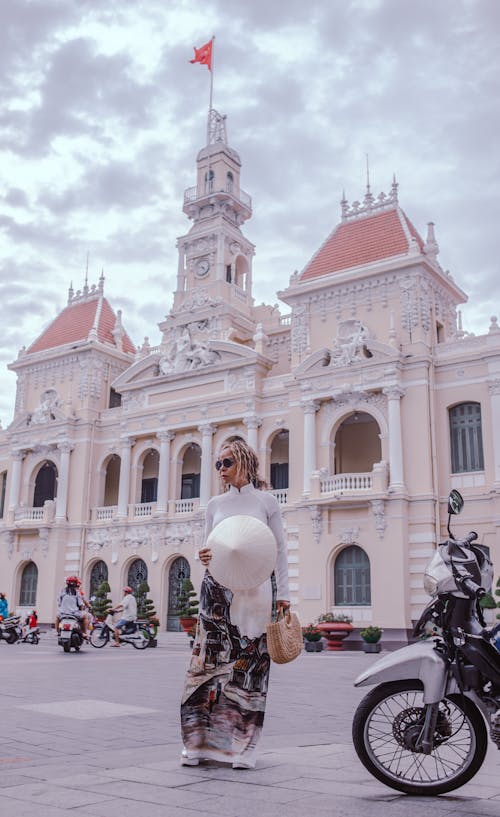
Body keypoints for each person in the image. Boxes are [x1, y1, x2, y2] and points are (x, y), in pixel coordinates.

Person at [180, 438, 290, 770]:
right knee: (205, 670)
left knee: (250, 670)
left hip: (256, 593)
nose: (221, 470)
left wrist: (284, 594)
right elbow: (209, 546)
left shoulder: (267, 502)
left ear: (244, 462)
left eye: (226, 463)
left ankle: (244, 748)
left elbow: (280, 550)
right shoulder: (215, 504)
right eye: (218, 464)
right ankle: (198, 744)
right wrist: (202, 555)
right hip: (216, 591)